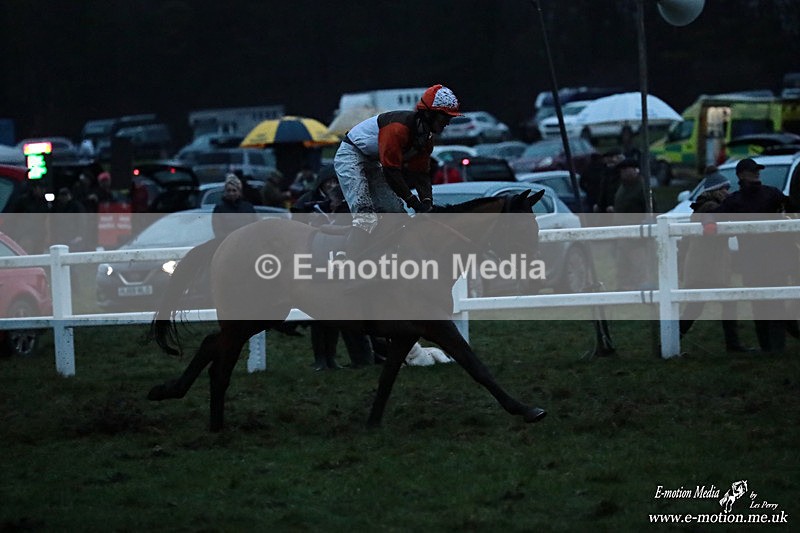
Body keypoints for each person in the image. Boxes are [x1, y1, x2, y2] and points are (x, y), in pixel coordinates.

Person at [333, 83, 462, 255]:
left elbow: (421, 175)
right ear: (429, 114)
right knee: (366, 218)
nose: (447, 123)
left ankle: (382, 256)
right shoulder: (397, 129)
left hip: (371, 161)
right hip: (350, 155)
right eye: (445, 117)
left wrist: (427, 202)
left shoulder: (426, 139)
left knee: (398, 216)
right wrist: (413, 202)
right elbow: (391, 171)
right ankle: (345, 259)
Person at [713, 157, 798, 353]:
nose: (757, 173)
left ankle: (769, 347)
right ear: (742, 174)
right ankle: (776, 347)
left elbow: (713, 217)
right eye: (753, 171)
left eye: (757, 170)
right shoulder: (771, 194)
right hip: (774, 259)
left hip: (753, 260)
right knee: (773, 303)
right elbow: (793, 206)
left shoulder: (735, 200)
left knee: (761, 305)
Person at [679, 169, 750, 352]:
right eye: (725, 188)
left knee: (695, 307)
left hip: (706, 264)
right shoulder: (710, 207)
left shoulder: (705, 206)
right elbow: (717, 223)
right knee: (726, 302)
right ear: (716, 190)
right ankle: (733, 345)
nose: (728, 192)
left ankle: (672, 338)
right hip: (708, 265)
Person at [212, 174, 258, 239]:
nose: (231, 193)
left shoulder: (248, 207)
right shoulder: (219, 209)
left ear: (239, 192)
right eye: (228, 190)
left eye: (234, 190)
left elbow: (255, 227)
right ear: (225, 192)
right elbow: (218, 231)